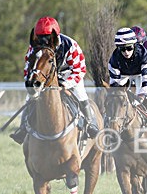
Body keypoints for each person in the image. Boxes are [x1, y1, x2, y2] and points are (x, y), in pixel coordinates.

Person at [10, 16, 100, 144]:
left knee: (81, 94)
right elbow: (28, 67)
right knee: (29, 97)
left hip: (69, 76)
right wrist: (32, 81)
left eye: (46, 38)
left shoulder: (71, 46)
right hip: (46, 78)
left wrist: (65, 84)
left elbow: (79, 69)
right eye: (40, 38)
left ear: (54, 36)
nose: (43, 42)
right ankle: (23, 128)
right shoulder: (35, 48)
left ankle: (91, 123)